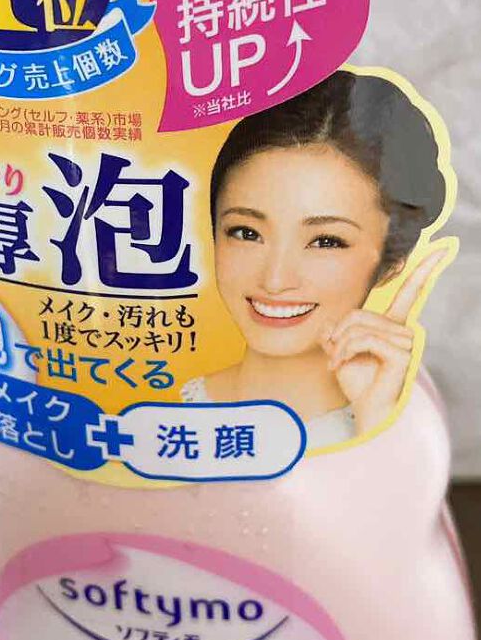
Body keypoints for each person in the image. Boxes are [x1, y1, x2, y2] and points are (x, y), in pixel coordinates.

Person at [182, 69, 449, 443]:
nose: (275, 280)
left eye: (325, 241)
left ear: (391, 263)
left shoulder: (399, 421)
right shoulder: (165, 412)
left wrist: (377, 420)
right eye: (246, 232)